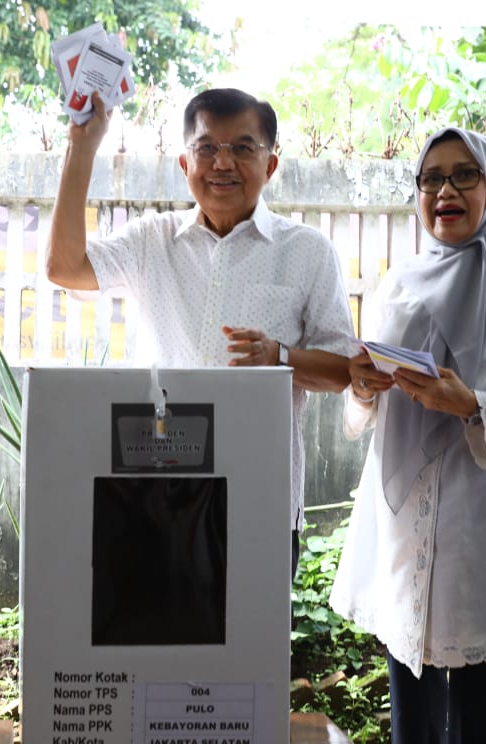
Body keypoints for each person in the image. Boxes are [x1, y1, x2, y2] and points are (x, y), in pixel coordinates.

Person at [328, 127, 486, 743]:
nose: (445, 190)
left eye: (464, 175)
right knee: (411, 723)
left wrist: (472, 404)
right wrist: (362, 387)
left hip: (485, 535)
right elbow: (364, 411)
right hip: (403, 532)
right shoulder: (400, 283)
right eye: (431, 178)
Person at [46, 87, 356, 572]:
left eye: (242, 148)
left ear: (270, 165)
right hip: (157, 493)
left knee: (255, 647)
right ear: (185, 163)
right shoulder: (153, 240)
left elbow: (344, 373)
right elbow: (64, 268)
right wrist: (82, 147)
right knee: (150, 642)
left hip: (262, 501)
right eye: (207, 148)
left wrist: (281, 357)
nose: (222, 164)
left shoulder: (309, 252)